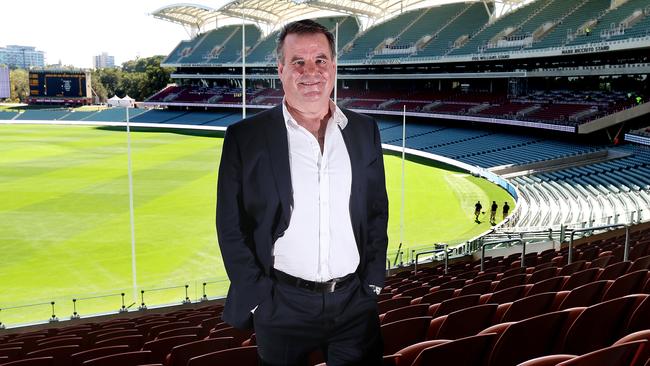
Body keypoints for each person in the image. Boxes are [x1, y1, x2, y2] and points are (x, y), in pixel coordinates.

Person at [216, 19, 388, 366]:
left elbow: (375, 210)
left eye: (320, 60)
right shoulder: (245, 137)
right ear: (281, 70)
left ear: (334, 67)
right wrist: (259, 297)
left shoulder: (364, 131)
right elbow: (230, 226)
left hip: (354, 302)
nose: (311, 71)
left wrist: (372, 283)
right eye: (299, 62)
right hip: (281, 303)